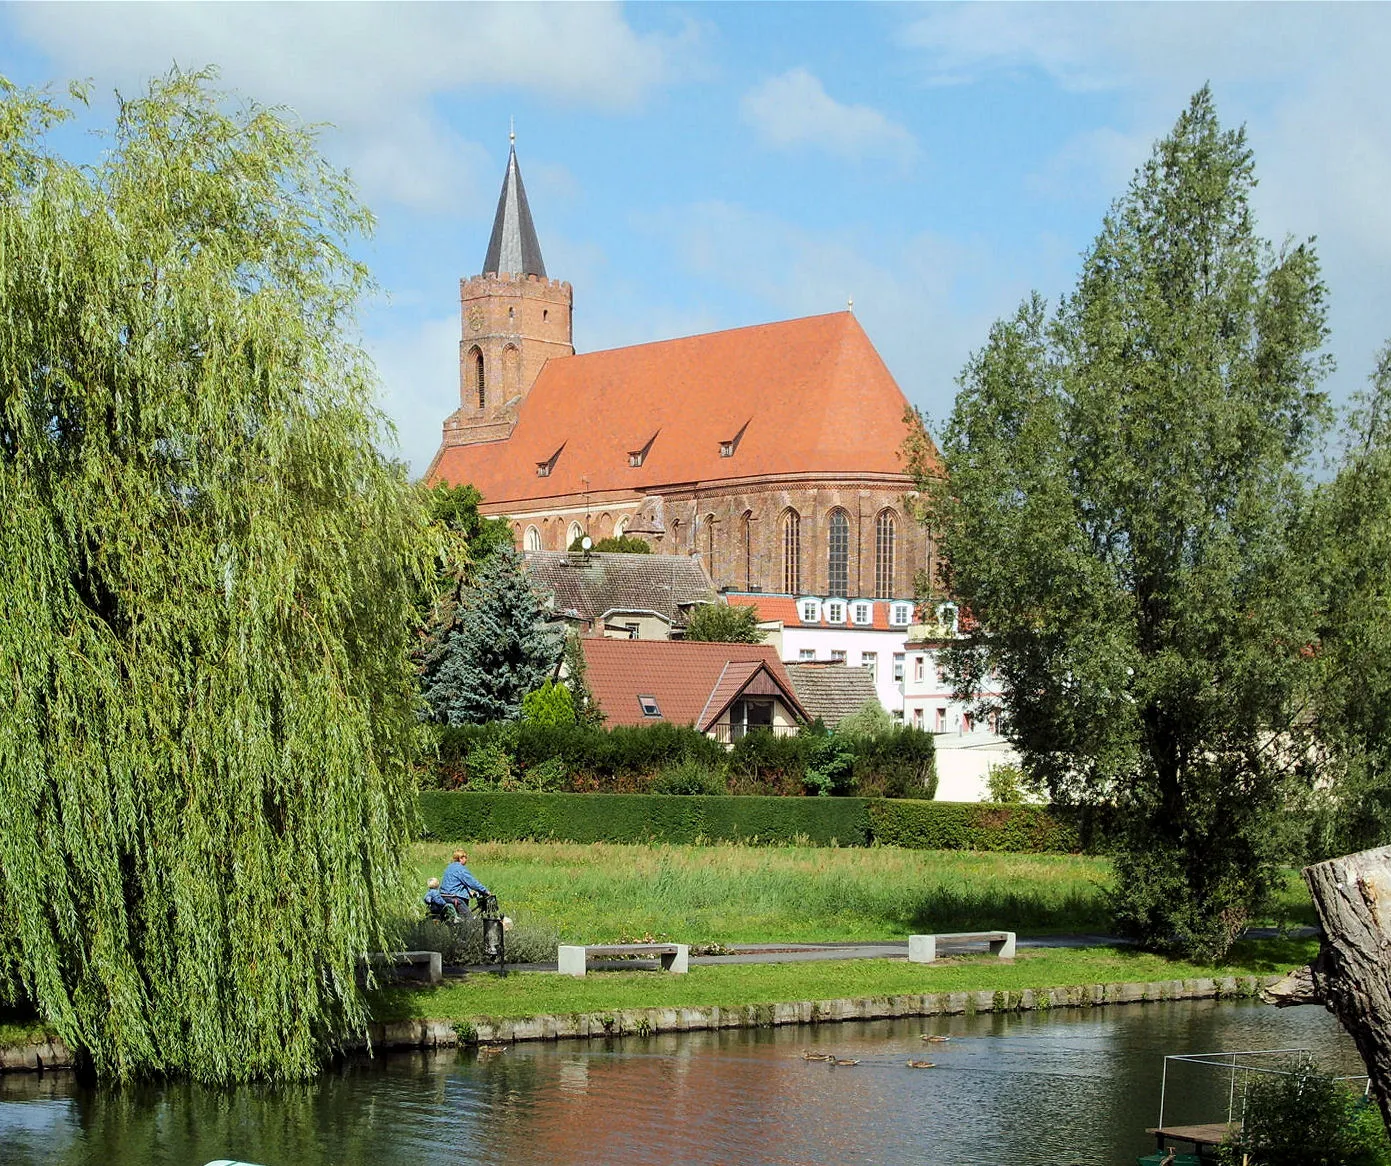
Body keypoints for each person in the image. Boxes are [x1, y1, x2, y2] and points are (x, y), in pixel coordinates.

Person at [440, 849, 489, 916]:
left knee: (457, 918)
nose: (466, 860)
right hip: (455, 897)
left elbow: (457, 882)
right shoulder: (460, 869)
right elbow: (471, 882)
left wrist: (469, 891)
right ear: (460, 858)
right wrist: (485, 891)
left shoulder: (449, 867)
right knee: (468, 919)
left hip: (444, 896)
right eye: (465, 858)